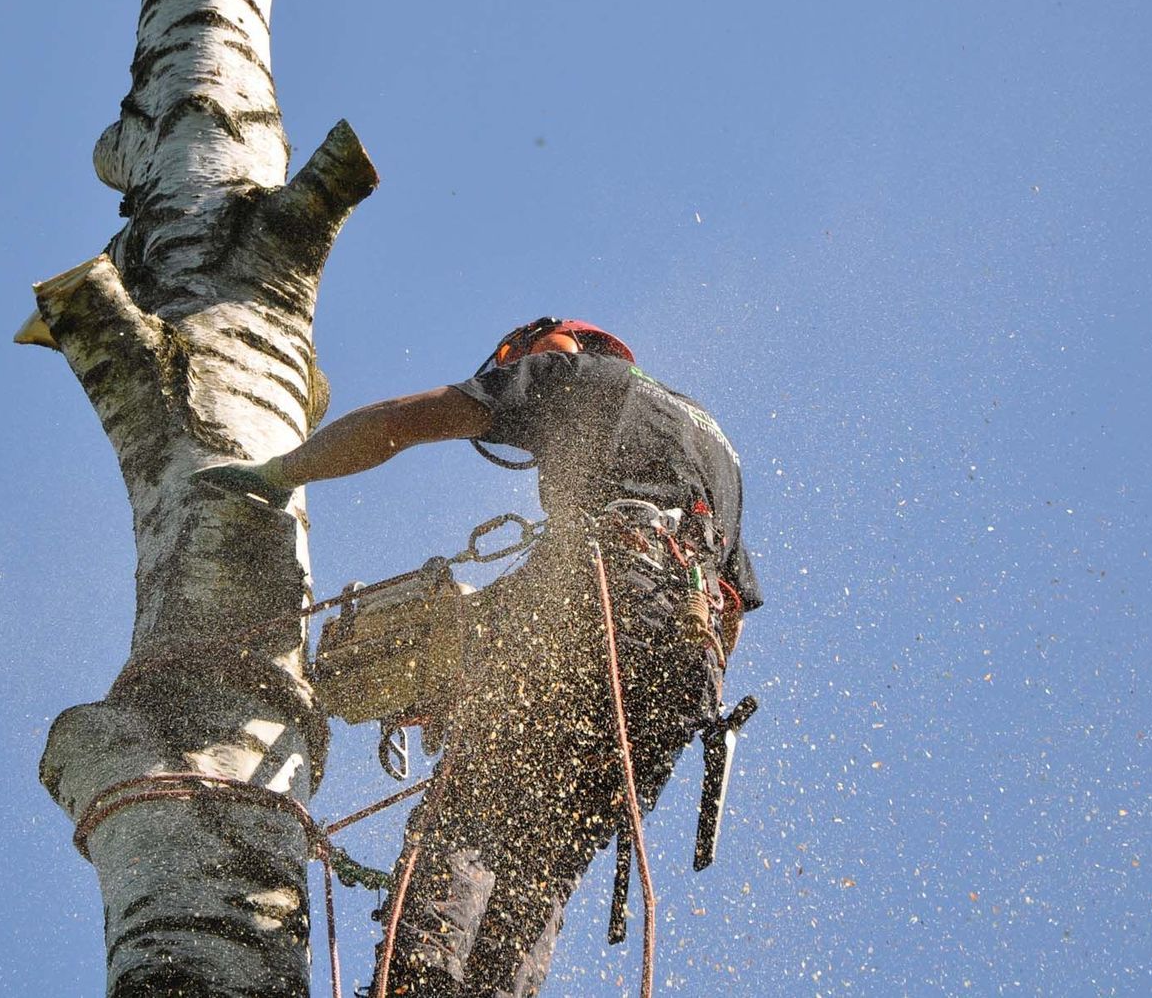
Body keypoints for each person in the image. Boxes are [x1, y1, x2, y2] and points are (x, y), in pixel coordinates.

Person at [197, 317, 762, 997]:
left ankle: (416, 985)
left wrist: (281, 470)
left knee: (467, 818)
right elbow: (728, 609)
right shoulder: (715, 447)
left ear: (555, 346)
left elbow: (400, 423)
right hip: (683, 675)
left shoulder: (568, 375)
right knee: (542, 867)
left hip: (610, 590)